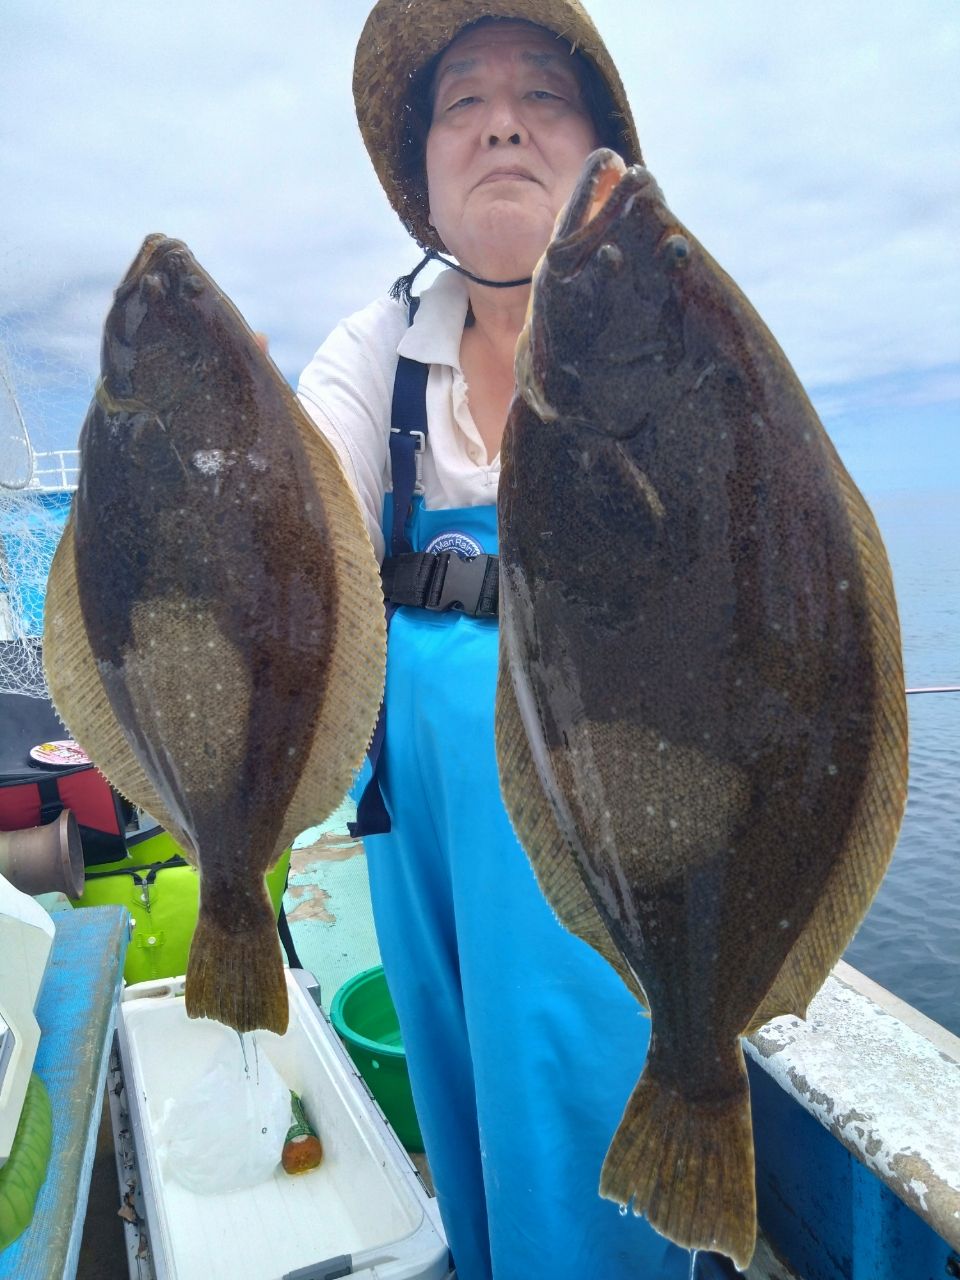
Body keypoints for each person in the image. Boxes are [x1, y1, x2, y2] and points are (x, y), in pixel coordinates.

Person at [297, 3, 688, 1277]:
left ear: (600, 150)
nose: (502, 121)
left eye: (541, 96)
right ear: (421, 168)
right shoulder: (372, 362)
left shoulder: (681, 340)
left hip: (619, 833)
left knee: (591, 1148)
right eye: (463, 100)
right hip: (424, 847)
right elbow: (305, 546)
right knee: (467, 1134)